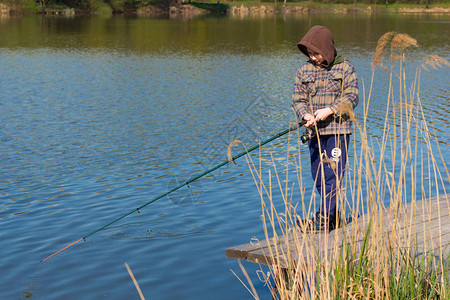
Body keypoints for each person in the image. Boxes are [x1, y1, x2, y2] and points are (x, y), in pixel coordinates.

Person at [292, 25, 359, 232]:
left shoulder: (345, 68)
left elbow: (352, 97)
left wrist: (330, 110)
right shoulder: (303, 71)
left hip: (338, 132)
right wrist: (305, 114)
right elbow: (298, 99)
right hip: (315, 133)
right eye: (309, 53)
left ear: (327, 49)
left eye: (316, 53)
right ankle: (331, 216)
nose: (312, 57)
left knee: (332, 176)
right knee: (319, 175)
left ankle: (322, 220)